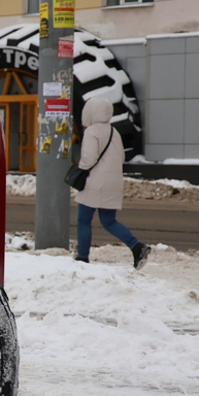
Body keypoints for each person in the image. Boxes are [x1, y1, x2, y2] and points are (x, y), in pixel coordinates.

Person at [74, 95, 145, 268]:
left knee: (83, 219)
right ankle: (137, 246)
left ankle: (82, 257)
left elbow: (88, 159)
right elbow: (121, 157)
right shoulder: (115, 132)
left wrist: (81, 168)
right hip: (113, 182)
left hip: (95, 183)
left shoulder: (91, 131)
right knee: (109, 221)